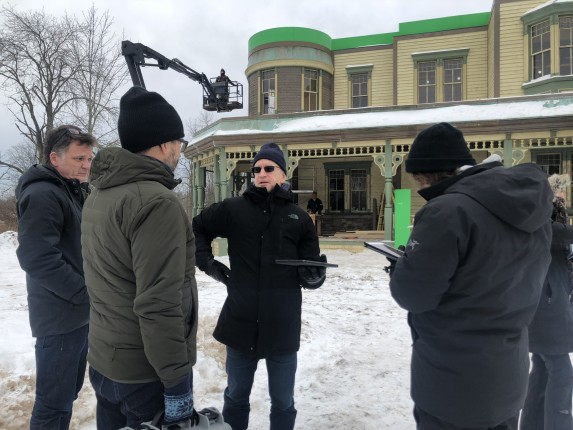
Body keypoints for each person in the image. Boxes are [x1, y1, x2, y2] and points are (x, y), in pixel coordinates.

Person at [388, 122, 553, 429]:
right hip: (509, 375)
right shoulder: (532, 209)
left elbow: (414, 294)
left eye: (418, 179)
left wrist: (401, 267)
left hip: (453, 384)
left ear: (429, 173)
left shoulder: (446, 211)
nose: (419, 187)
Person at [81, 86, 198, 429]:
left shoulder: (100, 194)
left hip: (105, 363)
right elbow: (159, 303)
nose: (180, 150)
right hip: (144, 376)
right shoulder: (156, 203)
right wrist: (177, 384)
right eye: (179, 142)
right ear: (163, 144)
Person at [192, 142, 327, 430]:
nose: (261, 173)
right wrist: (208, 263)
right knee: (236, 397)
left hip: (282, 325)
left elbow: (310, 268)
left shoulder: (299, 218)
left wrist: (315, 277)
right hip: (241, 322)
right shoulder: (233, 209)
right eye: (257, 169)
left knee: (283, 402)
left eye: (269, 168)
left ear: (283, 174)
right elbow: (197, 227)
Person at [15, 124, 96, 429]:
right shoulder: (43, 194)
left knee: (66, 396)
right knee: (53, 405)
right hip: (59, 318)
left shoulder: (69, 191)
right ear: (54, 158)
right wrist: (83, 294)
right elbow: (36, 256)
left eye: (89, 159)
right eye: (79, 159)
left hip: (76, 315)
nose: (86, 165)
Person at [520, 175, 573, 429]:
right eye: (558, 193)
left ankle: (532, 425)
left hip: (546, 301)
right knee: (561, 371)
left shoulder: (547, 218)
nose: (562, 197)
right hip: (545, 303)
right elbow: (560, 234)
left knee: (542, 368)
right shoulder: (539, 221)